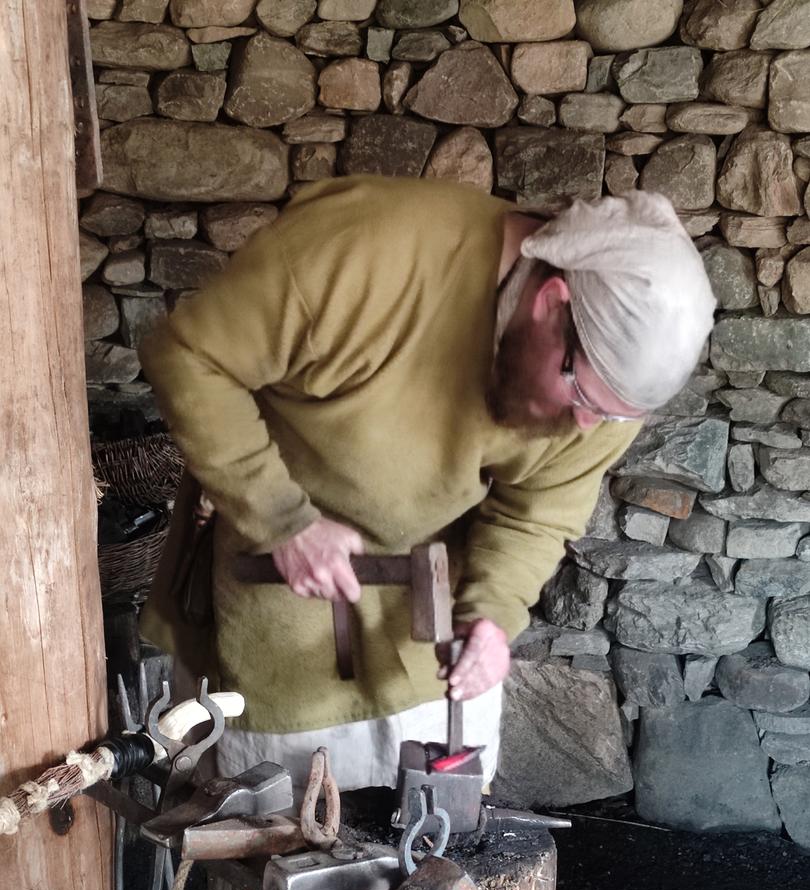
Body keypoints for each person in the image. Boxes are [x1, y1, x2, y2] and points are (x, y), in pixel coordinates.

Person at [139, 175, 715, 795]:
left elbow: (536, 513)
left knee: (442, 847)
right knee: (274, 842)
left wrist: (493, 615)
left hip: (429, 635)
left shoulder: (603, 390)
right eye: (581, 393)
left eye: (612, 415)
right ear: (552, 302)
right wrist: (281, 518)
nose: (586, 424)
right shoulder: (367, 253)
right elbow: (191, 357)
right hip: (280, 604)